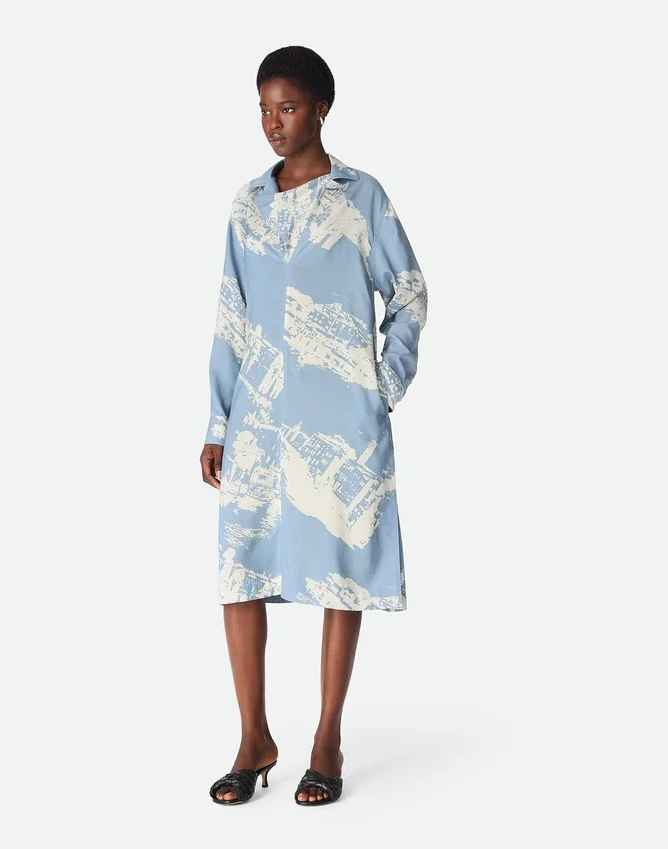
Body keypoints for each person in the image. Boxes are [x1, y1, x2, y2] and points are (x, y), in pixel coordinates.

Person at [201, 46, 428, 806]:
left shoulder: (360, 197)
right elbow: (231, 316)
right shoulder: (246, 205)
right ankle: (253, 738)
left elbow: (409, 292)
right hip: (257, 424)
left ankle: (327, 738)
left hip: (339, 425)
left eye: (288, 108)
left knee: (340, 573)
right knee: (240, 571)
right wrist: (217, 422)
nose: (273, 123)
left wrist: (381, 384)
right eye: (264, 110)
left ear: (321, 109)